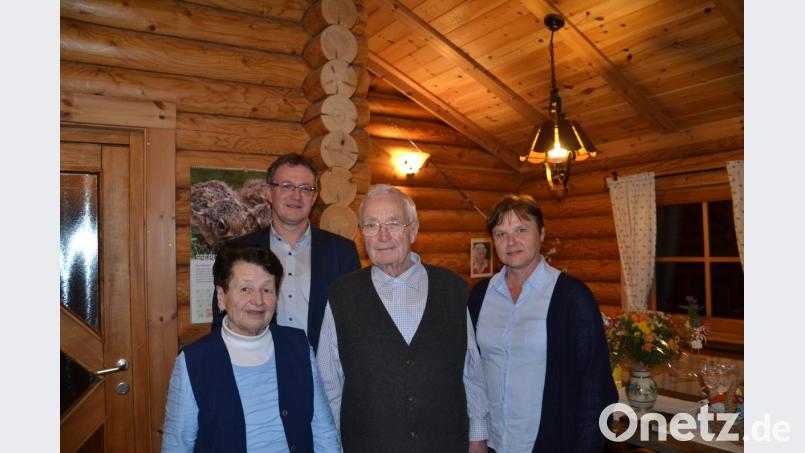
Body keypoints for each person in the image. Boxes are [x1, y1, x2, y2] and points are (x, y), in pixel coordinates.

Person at [316, 184, 490, 453]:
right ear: (362, 235)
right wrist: (340, 441)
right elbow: (329, 383)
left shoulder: (450, 289)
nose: (383, 235)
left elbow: (471, 372)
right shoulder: (342, 296)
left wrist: (477, 438)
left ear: (414, 230)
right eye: (371, 225)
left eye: (394, 223)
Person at [467, 194, 618, 452]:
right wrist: (476, 437)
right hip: (491, 444)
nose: (511, 241)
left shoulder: (572, 297)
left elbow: (595, 386)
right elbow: (470, 373)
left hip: (552, 444)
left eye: (521, 230)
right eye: (501, 234)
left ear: (542, 234)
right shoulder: (480, 296)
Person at [163, 243, 340, 452]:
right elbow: (177, 444)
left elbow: (324, 431)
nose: (258, 300)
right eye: (245, 289)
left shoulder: (297, 346)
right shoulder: (194, 361)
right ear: (221, 296)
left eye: (267, 289)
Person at [210, 153, 361, 352]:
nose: (296, 196)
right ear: (269, 193)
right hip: (257, 364)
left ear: (314, 197)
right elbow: (220, 320)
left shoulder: (342, 252)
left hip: (323, 366)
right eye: (287, 186)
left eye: (305, 188)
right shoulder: (236, 251)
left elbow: (355, 321)